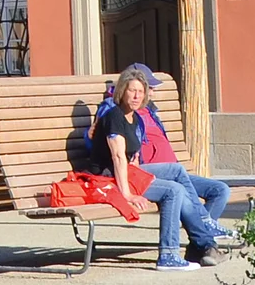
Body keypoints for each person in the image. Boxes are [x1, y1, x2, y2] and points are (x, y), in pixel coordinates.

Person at [86, 68, 224, 271]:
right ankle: (170, 254)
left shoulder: (135, 118)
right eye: (131, 90)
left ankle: (203, 223)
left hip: (127, 173)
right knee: (174, 190)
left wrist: (139, 176)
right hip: (107, 179)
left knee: (176, 171)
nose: (136, 96)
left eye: (140, 91)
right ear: (122, 91)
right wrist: (128, 194)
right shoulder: (114, 116)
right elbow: (117, 157)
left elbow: (131, 159)